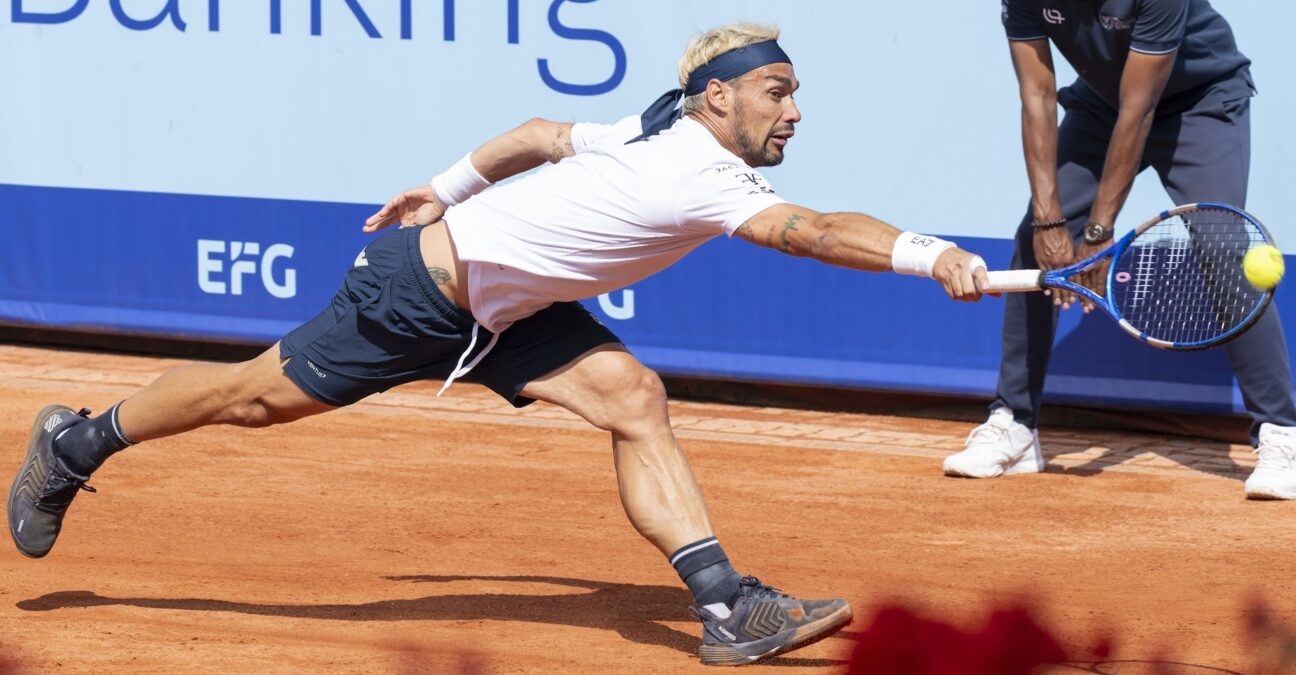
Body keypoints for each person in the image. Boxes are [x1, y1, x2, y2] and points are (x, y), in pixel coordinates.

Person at [8, 22, 990, 666]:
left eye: (795, 92)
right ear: (718, 97)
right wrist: (928, 251)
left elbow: (533, 132)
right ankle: (77, 442)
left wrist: (445, 183)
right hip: (418, 295)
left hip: (514, 313)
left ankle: (728, 606)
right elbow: (814, 234)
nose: (795, 110)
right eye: (777, 91)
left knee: (632, 397)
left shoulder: (642, 132)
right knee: (255, 400)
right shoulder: (702, 174)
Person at [942, 1, 1296, 499]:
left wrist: (1097, 233)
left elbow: (1141, 109)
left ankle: (1281, 433)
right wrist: (1049, 219)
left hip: (1200, 101)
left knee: (1223, 245)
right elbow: (1038, 95)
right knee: (1031, 239)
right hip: (1103, 103)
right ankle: (1015, 424)